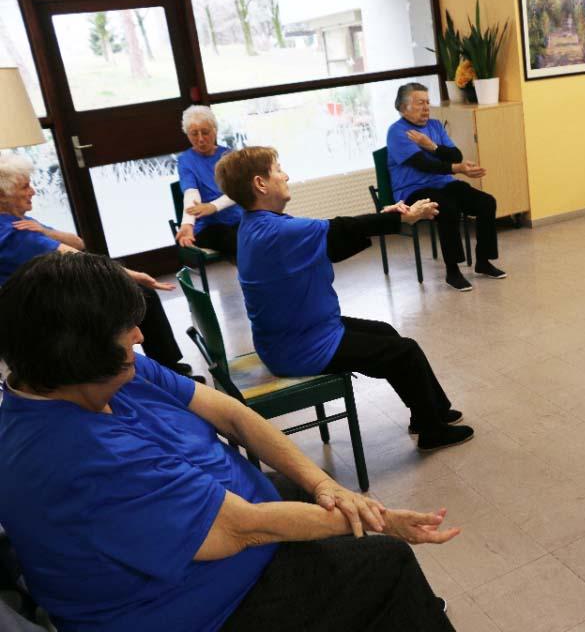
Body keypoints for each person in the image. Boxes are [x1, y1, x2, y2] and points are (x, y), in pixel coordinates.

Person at [0, 251, 461, 631]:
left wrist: (327, 486)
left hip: (230, 528)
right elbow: (245, 529)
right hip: (199, 611)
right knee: (386, 561)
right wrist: (381, 521)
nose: (140, 337)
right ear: (81, 350)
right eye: (126, 331)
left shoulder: (106, 373)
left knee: (306, 489)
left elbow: (232, 415)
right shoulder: (75, 456)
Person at [217, 146, 475, 451]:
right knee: (404, 351)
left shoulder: (256, 226)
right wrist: (405, 220)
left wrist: (385, 218)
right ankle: (432, 431)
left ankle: (430, 413)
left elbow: (333, 242)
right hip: (301, 346)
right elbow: (340, 229)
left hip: (298, 332)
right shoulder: (274, 231)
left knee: (385, 333)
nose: (285, 175)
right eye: (277, 170)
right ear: (261, 184)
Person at [0, 154, 197, 378]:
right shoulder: (15, 234)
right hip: (40, 310)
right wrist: (134, 276)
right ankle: (166, 369)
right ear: (2, 196)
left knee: (135, 288)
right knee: (139, 292)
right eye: (25, 187)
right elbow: (80, 259)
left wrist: (45, 231)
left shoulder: (20, 223)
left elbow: (78, 243)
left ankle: (166, 366)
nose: (33, 191)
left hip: (40, 298)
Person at [386, 82, 506, 292]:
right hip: (413, 190)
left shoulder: (434, 126)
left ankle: (483, 261)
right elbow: (424, 164)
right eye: (419, 103)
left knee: (486, 202)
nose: (426, 108)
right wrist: (457, 168)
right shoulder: (397, 132)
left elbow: (455, 155)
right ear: (403, 107)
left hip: (443, 183)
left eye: (427, 102)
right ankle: (453, 271)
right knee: (447, 207)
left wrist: (430, 145)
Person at [175, 105, 242, 258]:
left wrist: (214, 206)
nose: (200, 139)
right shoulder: (185, 161)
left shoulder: (229, 156)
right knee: (238, 243)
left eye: (205, 132)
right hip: (207, 226)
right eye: (194, 134)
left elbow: (238, 190)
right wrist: (188, 223)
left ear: (215, 130)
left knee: (261, 236)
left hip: (237, 218)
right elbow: (191, 192)